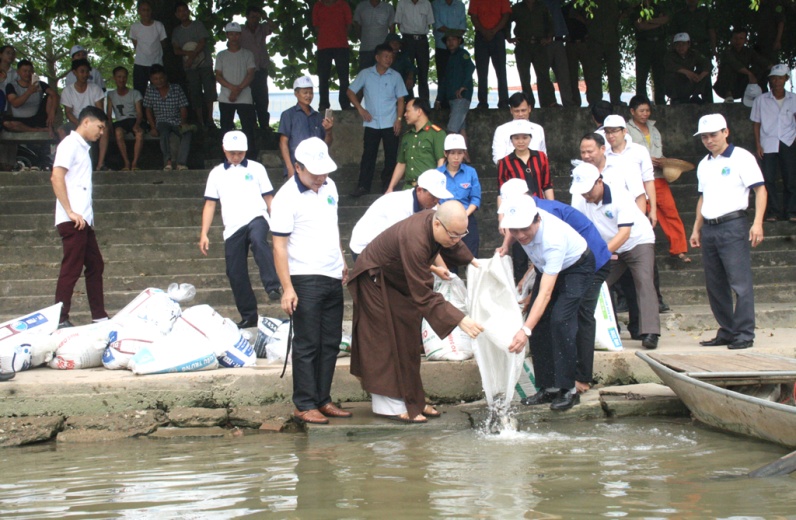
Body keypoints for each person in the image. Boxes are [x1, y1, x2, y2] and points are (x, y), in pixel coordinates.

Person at [349, 201, 484, 423]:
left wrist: (473, 261)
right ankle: (389, 406)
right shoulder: (415, 238)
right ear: (438, 225)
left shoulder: (439, 225)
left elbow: (454, 244)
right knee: (386, 341)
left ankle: (414, 401)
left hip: (396, 281)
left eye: (462, 235)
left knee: (408, 338)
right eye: (452, 235)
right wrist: (459, 319)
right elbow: (423, 294)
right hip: (375, 281)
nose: (456, 240)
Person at [498, 178, 611, 394]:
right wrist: (505, 246)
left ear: (537, 219)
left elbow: (547, 292)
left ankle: (568, 388)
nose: (520, 235)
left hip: (578, 266)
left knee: (561, 320)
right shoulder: (519, 227)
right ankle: (546, 386)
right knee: (539, 323)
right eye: (515, 230)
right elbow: (541, 272)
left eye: (525, 229)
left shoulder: (552, 238)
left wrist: (524, 330)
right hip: (548, 267)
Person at [270, 137, 350, 425]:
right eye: (315, 173)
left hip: (331, 274)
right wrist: (287, 288)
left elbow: (333, 226)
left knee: (330, 342)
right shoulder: (285, 198)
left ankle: (322, 399)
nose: (321, 178)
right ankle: (304, 404)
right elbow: (278, 246)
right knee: (307, 343)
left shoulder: (330, 187)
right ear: (297, 167)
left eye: (325, 171)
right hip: (304, 278)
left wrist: (341, 260)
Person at [690, 114, 766, 350]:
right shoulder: (704, 163)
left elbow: (760, 190)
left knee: (739, 282)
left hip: (733, 224)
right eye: (704, 136)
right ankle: (727, 329)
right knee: (715, 284)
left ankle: (744, 333)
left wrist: (758, 222)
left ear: (726, 132)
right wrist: (696, 228)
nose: (709, 140)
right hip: (710, 226)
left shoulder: (741, 157)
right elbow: (703, 197)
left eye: (713, 135)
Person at [570, 162, 660, 350]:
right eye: (582, 192)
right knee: (597, 282)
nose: (586, 196)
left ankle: (650, 332)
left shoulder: (620, 195)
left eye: (588, 190)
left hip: (637, 240)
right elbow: (579, 231)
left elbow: (625, 232)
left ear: (599, 182)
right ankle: (604, 329)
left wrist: (602, 254)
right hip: (608, 246)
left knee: (644, 281)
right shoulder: (579, 200)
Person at [200, 130, 281, 328]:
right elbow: (210, 204)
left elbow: (269, 197)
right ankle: (248, 315)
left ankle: (272, 285)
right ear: (224, 150)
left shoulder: (257, 168)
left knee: (258, 241)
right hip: (233, 226)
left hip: (257, 217)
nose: (236, 156)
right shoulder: (217, 173)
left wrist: (279, 222)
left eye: (240, 153)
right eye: (232, 153)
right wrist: (204, 233)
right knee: (235, 272)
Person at [50, 106, 110, 329]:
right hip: (72, 219)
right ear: (86, 122)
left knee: (95, 265)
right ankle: (60, 317)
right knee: (71, 268)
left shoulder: (83, 148)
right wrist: (70, 211)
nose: (101, 132)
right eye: (100, 127)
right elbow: (56, 177)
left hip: (83, 219)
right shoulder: (69, 144)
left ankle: (99, 315)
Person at [626, 95, 689, 262]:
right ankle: (638, 250)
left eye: (647, 110)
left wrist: (662, 161)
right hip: (637, 179)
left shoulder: (654, 130)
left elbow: (659, 152)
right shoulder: (625, 130)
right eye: (641, 111)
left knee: (670, 211)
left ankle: (679, 249)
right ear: (632, 111)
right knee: (639, 215)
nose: (645, 114)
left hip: (657, 176)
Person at [349, 169, 452, 260]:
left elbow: (431, 241)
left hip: (390, 248)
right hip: (365, 248)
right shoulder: (399, 205)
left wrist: (444, 270)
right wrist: (434, 270)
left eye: (439, 197)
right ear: (419, 190)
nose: (436, 200)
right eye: (433, 196)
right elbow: (401, 244)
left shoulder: (431, 205)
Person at [347, 43, 408, 197]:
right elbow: (350, 91)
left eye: (391, 57)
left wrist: (399, 119)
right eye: (386, 56)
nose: (389, 59)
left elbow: (401, 99)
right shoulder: (366, 74)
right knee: (368, 155)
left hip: (390, 122)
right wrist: (360, 109)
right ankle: (363, 186)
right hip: (371, 122)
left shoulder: (395, 76)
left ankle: (388, 185)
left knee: (391, 155)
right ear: (377, 57)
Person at [497, 119, 552, 282]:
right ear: (511, 140)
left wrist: (551, 206)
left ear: (530, 138)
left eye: (524, 137)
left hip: (539, 208)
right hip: (516, 212)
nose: (521, 141)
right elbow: (500, 191)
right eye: (516, 138)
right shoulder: (505, 162)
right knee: (520, 255)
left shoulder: (541, 157)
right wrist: (502, 218)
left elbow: (547, 185)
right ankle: (520, 292)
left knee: (544, 251)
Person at [751, 64, 796, 223]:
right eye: (774, 78)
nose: (777, 81)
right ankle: (773, 212)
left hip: (788, 141)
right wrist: (757, 145)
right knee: (768, 179)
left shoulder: (794, 99)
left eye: (780, 78)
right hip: (767, 143)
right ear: (770, 81)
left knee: (790, 178)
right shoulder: (761, 100)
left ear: (786, 80)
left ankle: (791, 211)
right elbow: (756, 124)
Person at [215, 22, 257, 160]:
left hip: (245, 97)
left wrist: (238, 90)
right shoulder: (221, 55)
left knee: (248, 129)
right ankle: (226, 157)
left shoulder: (248, 54)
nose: (234, 37)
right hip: (225, 97)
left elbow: (251, 74)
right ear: (227, 35)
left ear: (240, 35)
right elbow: (218, 75)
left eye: (236, 34)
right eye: (231, 34)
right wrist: (233, 89)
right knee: (226, 129)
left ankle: (250, 157)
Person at [58, 59, 110, 171]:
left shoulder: (95, 89)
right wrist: (80, 125)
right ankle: (68, 163)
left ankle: (100, 164)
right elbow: (68, 112)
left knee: (105, 130)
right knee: (61, 130)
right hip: (75, 122)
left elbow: (100, 110)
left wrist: (92, 125)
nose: (85, 74)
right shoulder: (68, 91)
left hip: (94, 122)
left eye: (87, 72)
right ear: (74, 72)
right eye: (82, 71)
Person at [385, 98, 446, 192]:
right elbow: (401, 163)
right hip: (408, 189)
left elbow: (440, 162)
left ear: (419, 111)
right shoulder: (407, 136)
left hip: (427, 190)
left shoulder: (437, 133)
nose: (405, 114)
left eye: (408, 111)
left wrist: (436, 188)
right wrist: (390, 187)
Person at [278, 76, 333, 178]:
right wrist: (290, 167)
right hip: (297, 167)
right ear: (296, 94)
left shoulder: (318, 116)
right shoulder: (288, 115)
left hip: (317, 168)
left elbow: (325, 145)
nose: (309, 95)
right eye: (305, 92)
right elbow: (283, 142)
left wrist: (329, 131)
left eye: (311, 92)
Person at [172, 2, 217, 129]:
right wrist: (188, 54)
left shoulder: (198, 25)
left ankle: (210, 118)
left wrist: (192, 56)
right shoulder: (176, 31)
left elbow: (202, 42)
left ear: (188, 11)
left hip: (205, 64)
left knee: (209, 91)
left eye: (184, 10)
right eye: (179, 11)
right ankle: (200, 121)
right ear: (176, 14)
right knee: (195, 93)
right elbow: (176, 50)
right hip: (189, 68)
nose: (183, 13)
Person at [438, 134, 480, 262]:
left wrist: (465, 214)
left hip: (467, 217)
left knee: (472, 257)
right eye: (452, 153)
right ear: (446, 154)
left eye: (460, 153)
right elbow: (435, 200)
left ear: (464, 154)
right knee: (448, 260)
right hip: (444, 221)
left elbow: (476, 198)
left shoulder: (471, 172)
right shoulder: (437, 173)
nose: (456, 157)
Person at [143, 64, 194, 171]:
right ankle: (168, 161)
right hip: (161, 121)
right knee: (164, 132)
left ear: (165, 77)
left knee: (187, 133)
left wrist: (183, 122)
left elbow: (183, 107)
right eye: (155, 79)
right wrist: (152, 127)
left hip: (176, 121)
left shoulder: (176, 88)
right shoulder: (150, 90)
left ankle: (181, 163)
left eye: (161, 78)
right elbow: (148, 110)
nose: (159, 81)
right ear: (151, 80)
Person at [509, 0, 556, 108]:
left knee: (543, 74)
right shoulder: (517, 8)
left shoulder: (542, 6)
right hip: (523, 45)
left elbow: (549, 23)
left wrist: (549, 37)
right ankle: (529, 103)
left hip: (540, 44)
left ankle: (548, 102)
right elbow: (507, 21)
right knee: (524, 76)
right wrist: (508, 37)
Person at [240, 6, 276, 133]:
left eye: (256, 17)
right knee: (249, 98)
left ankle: (264, 125)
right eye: (252, 17)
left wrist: (265, 17)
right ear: (247, 17)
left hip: (261, 68)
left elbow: (274, 27)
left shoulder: (262, 28)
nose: (254, 19)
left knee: (262, 98)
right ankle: (252, 124)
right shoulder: (241, 30)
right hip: (246, 70)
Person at [468, 0, 511, 109]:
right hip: (481, 36)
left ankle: (504, 101)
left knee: (501, 70)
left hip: (498, 35)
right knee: (481, 71)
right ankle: (482, 102)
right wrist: (484, 31)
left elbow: (506, 15)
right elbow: (473, 16)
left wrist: (494, 31)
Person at [312, 0, 353, 111]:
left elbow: (349, 25)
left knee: (344, 77)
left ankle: (345, 103)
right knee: (323, 77)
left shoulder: (343, 4)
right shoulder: (318, 5)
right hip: (323, 46)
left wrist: (340, 35)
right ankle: (324, 104)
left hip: (341, 46)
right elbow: (316, 26)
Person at [713, 28, 770, 103]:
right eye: (735, 38)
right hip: (724, 86)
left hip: (741, 85)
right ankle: (728, 95)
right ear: (731, 39)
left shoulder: (748, 51)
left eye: (741, 38)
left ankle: (759, 96)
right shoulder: (727, 52)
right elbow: (735, 64)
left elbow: (761, 61)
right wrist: (749, 73)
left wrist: (775, 69)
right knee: (728, 67)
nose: (738, 41)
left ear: (745, 40)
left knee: (759, 69)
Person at [3, 59, 59, 136]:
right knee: (7, 123)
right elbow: (15, 103)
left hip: (37, 118)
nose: (27, 74)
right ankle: (37, 130)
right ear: (18, 72)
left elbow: (54, 94)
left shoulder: (39, 84)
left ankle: (49, 126)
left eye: (30, 71)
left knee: (50, 97)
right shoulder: (11, 85)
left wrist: (52, 112)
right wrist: (29, 92)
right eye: (25, 71)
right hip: (20, 120)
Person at [437, 30, 474, 142]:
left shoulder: (463, 54)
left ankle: (447, 157)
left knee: (451, 130)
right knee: (461, 129)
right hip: (452, 98)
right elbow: (444, 80)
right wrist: (439, 99)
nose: (450, 42)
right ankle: (466, 157)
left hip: (461, 97)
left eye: (453, 39)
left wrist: (463, 86)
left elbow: (470, 67)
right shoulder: (450, 58)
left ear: (459, 41)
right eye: (448, 40)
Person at [394, 0, 434, 101]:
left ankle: (424, 102)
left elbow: (429, 23)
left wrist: (419, 34)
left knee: (423, 71)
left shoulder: (426, 3)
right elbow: (398, 23)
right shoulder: (402, 3)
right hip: (407, 40)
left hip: (422, 41)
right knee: (407, 70)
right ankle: (408, 101)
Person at [106, 66, 144, 171]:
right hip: (120, 122)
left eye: (124, 77)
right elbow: (108, 114)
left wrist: (137, 124)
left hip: (133, 120)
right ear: (114, 78)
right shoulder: (111, 94)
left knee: (139, 134)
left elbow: (139, 113)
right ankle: (126, 162)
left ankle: (135, 163)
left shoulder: (135, 93)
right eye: (119, 77)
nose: (121, 80)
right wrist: (110, 128)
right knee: (118, 132)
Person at [492, 92, 547, 165]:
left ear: (529, 108)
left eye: (523, 110)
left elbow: (543, 156)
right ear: (511, 110)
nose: (520, 114)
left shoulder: (538, 129)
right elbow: (498, 158)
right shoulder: (501, 130)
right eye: (517, 111)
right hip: (510, 172)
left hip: (535, 172)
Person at [431, 0, 466, 108]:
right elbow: (437, 25)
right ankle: (442, 102)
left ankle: (459, 100)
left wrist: (453, 38)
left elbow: (463, 26)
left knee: (458, 75)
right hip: (442, 46)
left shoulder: (460, 5)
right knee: (442, 75)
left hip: (458, 48)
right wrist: (452, 37)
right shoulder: (436, 4)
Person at [586, 0, 622, 105]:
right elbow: (574, 12)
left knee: (614, 72)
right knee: (594, 73)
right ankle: (595, 101)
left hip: (612, 40)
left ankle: (616, 100)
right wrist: (589, 22)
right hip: (594, 40)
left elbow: (628, 9)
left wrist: (617, 18)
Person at [633, 0, 668, 106]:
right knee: (642, 75)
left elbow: (665, 19)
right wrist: (657, 22)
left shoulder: (659, 7)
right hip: (644, 44)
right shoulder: (636, 9)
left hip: (659, 44)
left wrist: (648, 21)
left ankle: (660, 102)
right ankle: (641, 102)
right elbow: (640, 26)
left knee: (660, 74)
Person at [129, 0, 167, 96]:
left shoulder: (158, 25)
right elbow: (135, 44)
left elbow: (163, 43)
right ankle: (141, 111)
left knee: (159, 90)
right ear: (139, 11)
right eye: (143, 10)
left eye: (148, 10)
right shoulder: (135, 27)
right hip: (140, 63)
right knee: (139, 92)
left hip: (156, 63)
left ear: (151, 11)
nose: (146, 12)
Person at [563, 1, 596, 106]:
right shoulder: (565, 9)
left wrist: (579, 17)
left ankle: (593, 101)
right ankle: (575, 102)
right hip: (570, 43)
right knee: (572, 75)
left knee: (590, 74)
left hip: (585, 44)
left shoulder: (588, 7)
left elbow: (593, 24)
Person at [664, 33, 713, 105]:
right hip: (676, 85)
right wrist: (687, 73)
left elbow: (707, 64)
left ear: (688, 44)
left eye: (683, 44)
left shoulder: (694, 53)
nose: (681, 47)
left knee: (704, 72)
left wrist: (700, 76)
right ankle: (675, 98)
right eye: (678, 44)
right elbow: (670, 66)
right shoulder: (669, 55)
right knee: (671, 75)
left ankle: (695, 96)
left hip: (689, 82)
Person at [353, 0, 395, 71]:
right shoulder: (361, 6)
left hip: (383, 50)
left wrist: (389, 46)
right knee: (365, 75)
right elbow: (357, 26)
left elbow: (392, 28)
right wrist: (361, 39)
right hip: (365, 49)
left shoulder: (388, 8)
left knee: (384, 74)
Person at [386, 33, 416, 100]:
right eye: (393, 43)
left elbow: (412, 68)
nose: (395, 45)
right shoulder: (381, 57)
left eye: (397, 43)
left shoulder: (403, 56)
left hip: (401, 86)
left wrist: (410, 77)